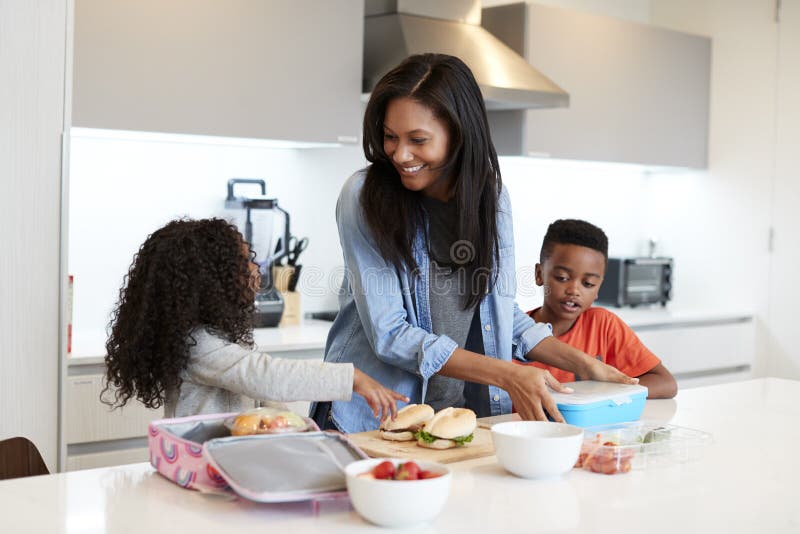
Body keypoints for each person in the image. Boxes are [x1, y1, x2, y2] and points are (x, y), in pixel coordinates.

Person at [312, 53, 637, 433]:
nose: (400, 154)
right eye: (390, 136)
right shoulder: (363, 195)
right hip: (372, 417)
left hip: (452, 419)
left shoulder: (490, 199)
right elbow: (390, 335)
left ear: (459, 133)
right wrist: (505, 374)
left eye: (418, 140)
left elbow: (499, 311)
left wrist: (582, 363)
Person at [102, 218, 407, 419]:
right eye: (246, 259)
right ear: (213, 280)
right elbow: (265, 376)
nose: (256, 267)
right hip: (203, 469)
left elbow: (254, 390)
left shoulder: (212, 337)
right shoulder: (199, 345)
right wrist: (351, 377)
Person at [525, 219, 678, 398]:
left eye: (588, 283)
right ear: (538, 275)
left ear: (598, 288)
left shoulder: (604, 325)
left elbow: (666, 383)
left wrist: (599, 395)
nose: (574, 290)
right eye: (562, 277)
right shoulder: (514, 335)